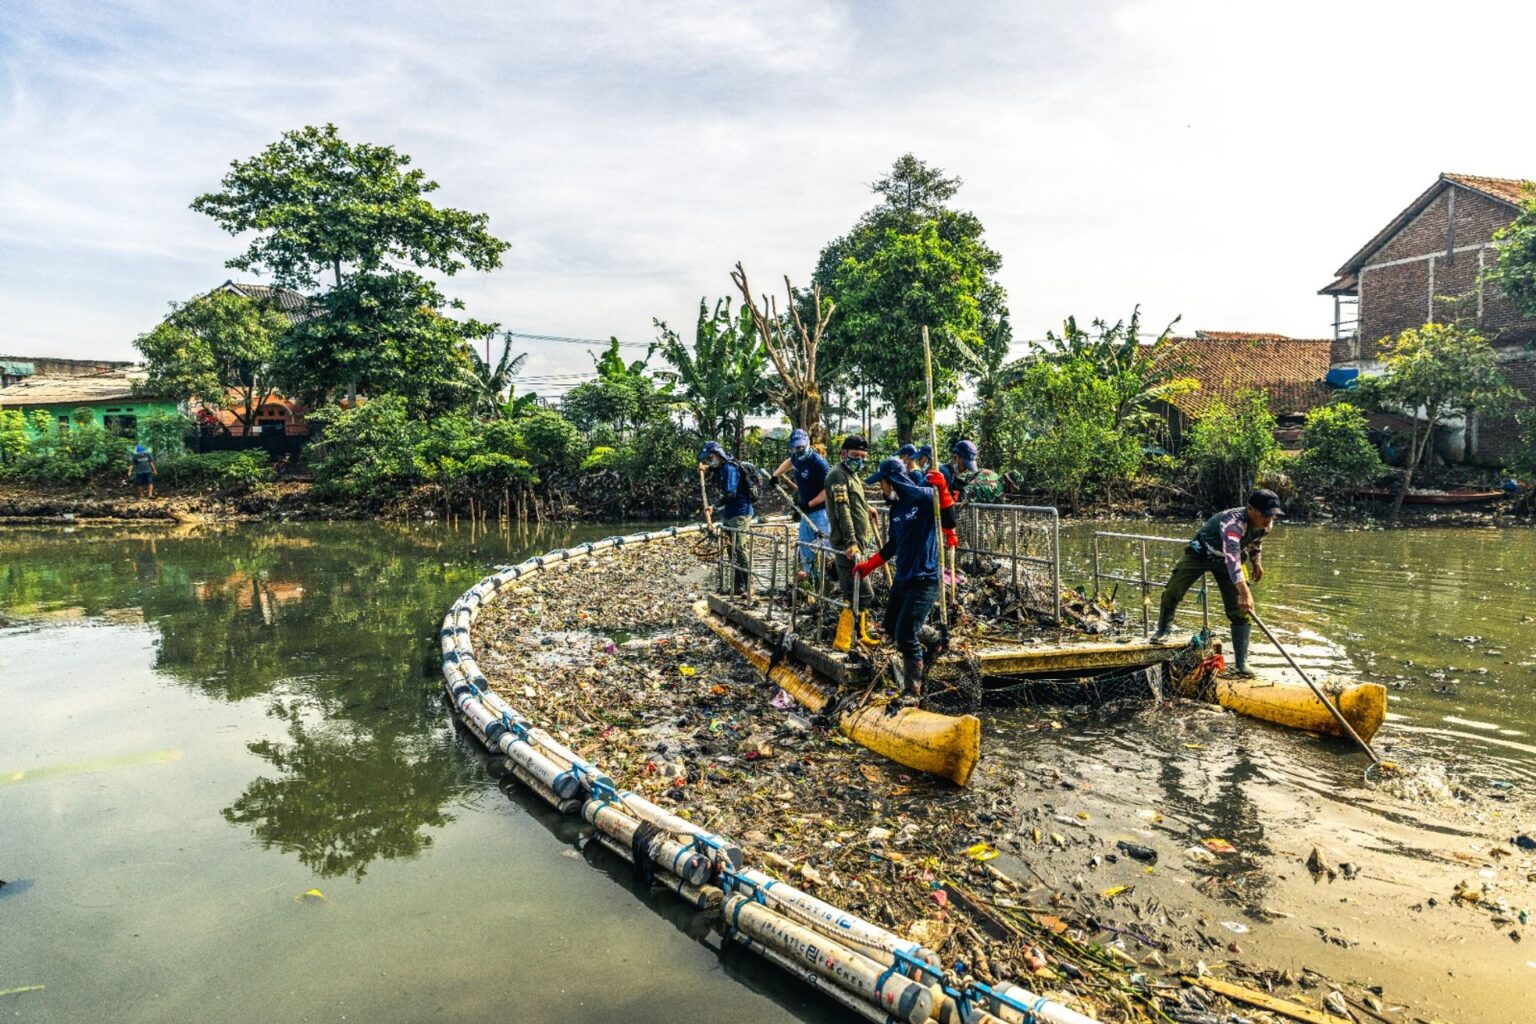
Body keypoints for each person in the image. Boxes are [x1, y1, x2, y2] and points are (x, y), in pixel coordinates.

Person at [1149, 489, 1285, 679]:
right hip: (1201, 554)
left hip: (1229, 560)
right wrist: (1244, 592)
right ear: (1251, 509)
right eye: (1265, 514)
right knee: (1173, 590)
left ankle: (1241, 662)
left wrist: (1256, 561)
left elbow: (1256, 541)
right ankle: (1163, 629)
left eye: (1273, 515)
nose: (1269, 520)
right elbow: (1232, 560)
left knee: (1240, 611)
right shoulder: (1233, 524)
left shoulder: (1266, 524)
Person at [853, 458, 942, 698]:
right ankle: (934, 638)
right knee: (891, 627)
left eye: (881, 484)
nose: (881, 490)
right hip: (904, 577)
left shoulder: (925, 498)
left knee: (905, 635)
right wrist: (868, 566)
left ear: (892, 482)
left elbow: (949, 519)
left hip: (925, 578)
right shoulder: (896, 510)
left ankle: (912, 691)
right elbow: (892, 545)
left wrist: (942, 491)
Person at [825, 434, 876, 612]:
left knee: (857, 594)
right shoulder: (837, 475)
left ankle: (859, 633)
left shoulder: (852, 474)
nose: (859, 460)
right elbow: (842, 511)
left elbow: (853, 500)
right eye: (855, 455)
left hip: (858, 544)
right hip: (848, 547)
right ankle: (846, 638)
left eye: (863, 457)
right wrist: (851, 543)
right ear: (843, 454)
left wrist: (867, 508)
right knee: (861, 594)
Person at [773, 428, 831, 579]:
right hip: (806, 511)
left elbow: (828, 490)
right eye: (795, 447)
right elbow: (790, 462)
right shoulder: (797, 457)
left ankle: (828, 582)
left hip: (821, 511)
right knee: (805, 545)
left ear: (808, 444)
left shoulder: (819, 464)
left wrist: (809, 504)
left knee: (824, 546)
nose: (798, 450)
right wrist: (776, 475)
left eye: (801, 447)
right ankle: (810, 580)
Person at [699, 441, 755, 595]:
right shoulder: (723, 466)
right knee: (730, 549)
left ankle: (749, 585)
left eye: (710, 457)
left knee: (739, 548)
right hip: (729, 513)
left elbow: (731, 494)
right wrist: (708, 468)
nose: (710, 460)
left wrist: (714, 507)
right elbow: (718, 469)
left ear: (717, 454)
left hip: (740, 513)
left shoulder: (730, 468)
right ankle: (738, 587)